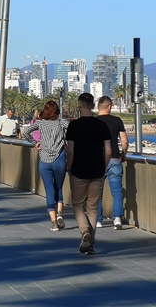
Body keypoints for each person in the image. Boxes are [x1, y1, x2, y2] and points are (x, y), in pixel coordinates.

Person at [66, 92, 111, 255]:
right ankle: (90, 243)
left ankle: (85, 232)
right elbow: (108, 151)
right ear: (93, 106)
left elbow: (70, 150)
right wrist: (104, 167)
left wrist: (69, 168)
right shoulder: (101, 126)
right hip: (97, 170)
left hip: (78, 170)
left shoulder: (74, 126)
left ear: (79, 106)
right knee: (92, 207)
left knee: (78, 204)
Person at [22, 100, 70, 231]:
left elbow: (26, 132)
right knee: (59, 187)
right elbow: (74, 131)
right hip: (59, 159)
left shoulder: (40, 123)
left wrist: (35, 143)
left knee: (49, 190)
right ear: (57, 111)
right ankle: (60, 213)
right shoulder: (62, 123)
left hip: (44, 160)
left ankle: (54, 222)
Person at [96, 95, 128, 230]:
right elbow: (125, 141)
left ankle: (98, 220)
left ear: (98, 107)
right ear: (109, 107)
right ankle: (117, 219)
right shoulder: (117, 121)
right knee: (117, 191)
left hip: (97, 160)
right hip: (114, 158)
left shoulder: (94, 122)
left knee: (97, 192)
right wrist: (123, 154)